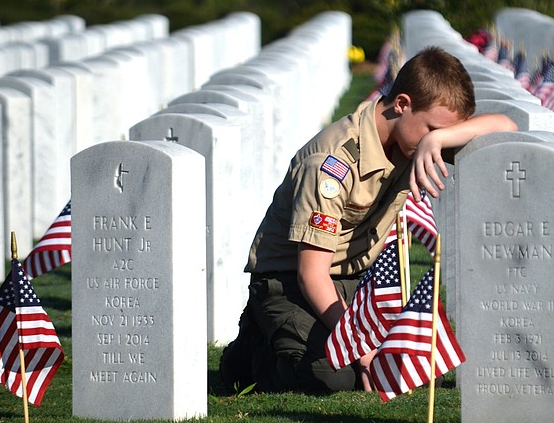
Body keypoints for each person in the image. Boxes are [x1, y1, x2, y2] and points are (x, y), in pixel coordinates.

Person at [220, 46, 517, 394]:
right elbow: (311, 273)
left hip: (359, 280)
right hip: (291, 281)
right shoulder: (332, 162)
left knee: (407, 368)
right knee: (332, 378)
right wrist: (358, 344)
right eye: (432, 129)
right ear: (402, 104)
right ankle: (254, 352)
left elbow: (505, 127)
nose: (434, 143)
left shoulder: (416, 138)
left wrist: (437, 137)